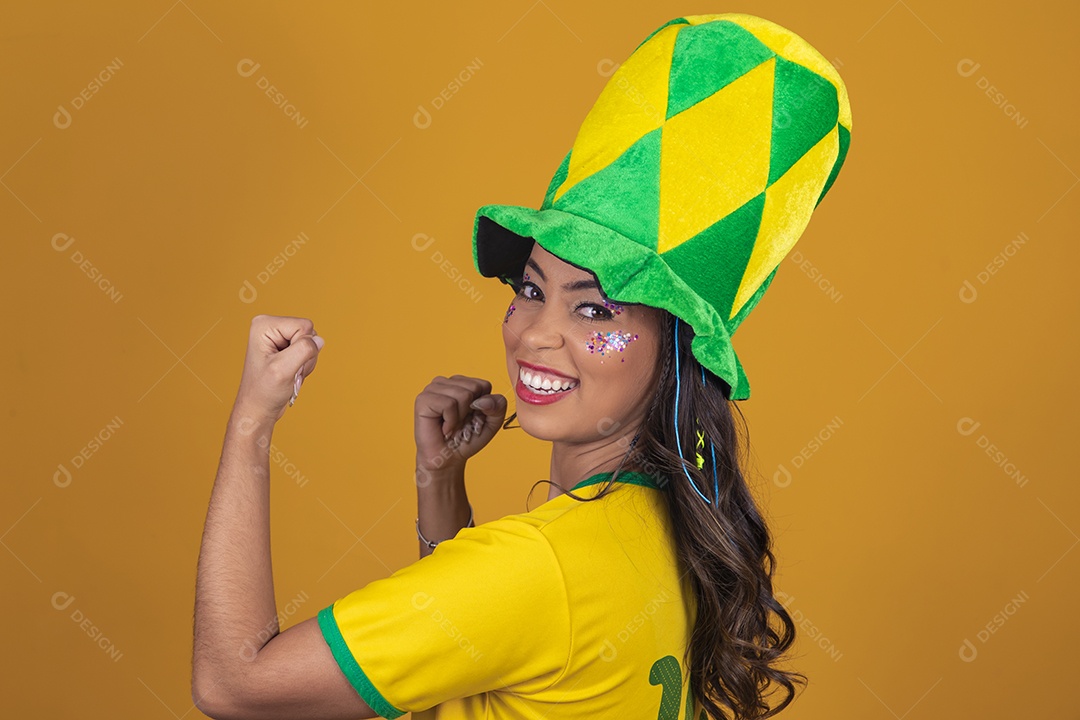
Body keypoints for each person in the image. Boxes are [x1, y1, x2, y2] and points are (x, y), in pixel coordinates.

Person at [190, 12, 851, 720]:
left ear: (679, 350)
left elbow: (235, 687)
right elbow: (474, 647)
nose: (536, 334)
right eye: (532, 290)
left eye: (594, 310)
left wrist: (252, 424)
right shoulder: (663, 529)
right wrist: (440, 486)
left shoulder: (540, 568)